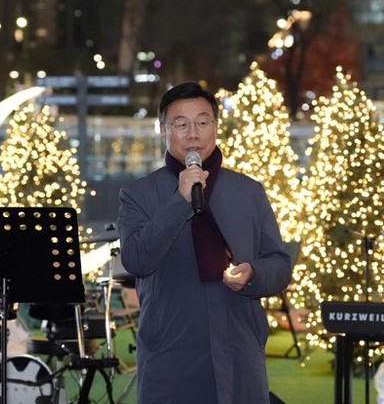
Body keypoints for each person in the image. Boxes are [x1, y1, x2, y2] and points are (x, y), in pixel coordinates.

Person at [116, 81, 293, 403]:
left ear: (215, 127)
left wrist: (253, 274)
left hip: (239, 347)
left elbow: (279, 265)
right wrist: (179, 201)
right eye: (181, 124)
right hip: (171, 352)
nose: (193, 134)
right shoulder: (139, 195)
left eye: (202, 122)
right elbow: (136, 259)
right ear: (164, 131)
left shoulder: (248, 192)